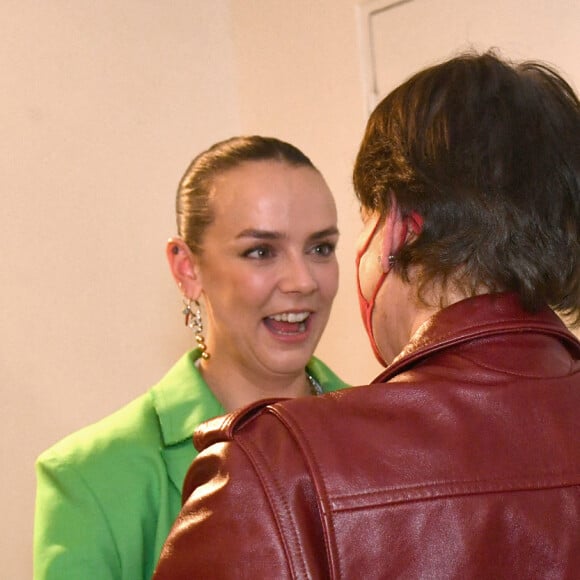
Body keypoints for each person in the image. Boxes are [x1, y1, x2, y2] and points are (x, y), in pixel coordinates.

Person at [153, 51, 580, 579]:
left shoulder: (274, 471)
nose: (302, 282)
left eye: (328, 244)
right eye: (262, 251)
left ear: (398, 228)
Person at [33, 135, 348, 579]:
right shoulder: (91, 478)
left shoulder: (391, 434)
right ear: (188, 269)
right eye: (260, 251)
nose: (302, 281)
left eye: (320, 248)